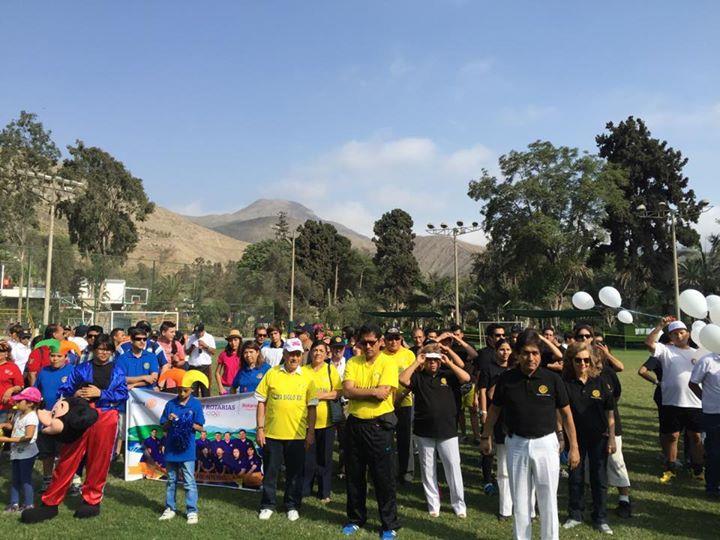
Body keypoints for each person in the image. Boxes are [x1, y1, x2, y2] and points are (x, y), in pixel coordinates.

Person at [481, 329, 580, 540]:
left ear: (541, 354)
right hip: (516, 444)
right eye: (526, 353)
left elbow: (567, 414)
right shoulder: (506, 379)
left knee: (548, 500)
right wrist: (485, 436)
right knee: (520, 501)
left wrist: (575, 448)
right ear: (517, 354)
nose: (531, 358)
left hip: (546, 444)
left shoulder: (552, 379)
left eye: (535, 353)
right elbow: (495, 410)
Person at [25, 334, 128, 522]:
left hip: (106, 416)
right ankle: (50, 502)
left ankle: (92, 500)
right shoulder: (81, 368)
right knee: (67, 458)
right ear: (94, 349)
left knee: (99, 460)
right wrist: (75, 393)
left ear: (112, 352)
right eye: (100, 348)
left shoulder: (118, 371)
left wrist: (101, 393)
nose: (103, 352)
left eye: (107, 349)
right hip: (79, 415)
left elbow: (123, 394)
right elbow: (63, 390)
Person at [341, 324, 400, 538]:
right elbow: (347, 391)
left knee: (383, 478)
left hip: (378, 426)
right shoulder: (352, 362)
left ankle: (389, 525)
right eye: (364, 342)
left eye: (372, 342)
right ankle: (356, 518)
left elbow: (383, 394)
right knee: (354, 475)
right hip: (355, 424)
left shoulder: (389, 363)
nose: (368, 346)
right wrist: (371, 391)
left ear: (380, 341)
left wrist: (361, 392)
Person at [399, 343, 469, 518]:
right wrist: (417, 361)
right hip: (424, 431)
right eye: (429, 360)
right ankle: (433, 504)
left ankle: (458, 504)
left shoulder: (448, 375)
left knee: (453, 467)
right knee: (428, 468)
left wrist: (448, 362)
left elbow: (466, 378)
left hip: (448, 430)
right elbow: (402, 379)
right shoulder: (418, 377)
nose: (432, 363)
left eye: (435, 360)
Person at [255, 338, 317, 522]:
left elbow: (312, 407)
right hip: (272, 434)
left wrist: (311, 432)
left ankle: (292, 505)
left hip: (297, 435)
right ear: (284, 354)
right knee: (271, 472)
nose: (294, 357)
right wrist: (260, 428)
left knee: (295, 473)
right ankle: (268, 504)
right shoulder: (272, 373)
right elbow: (261, 402)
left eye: (298, 354)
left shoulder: (307, 377)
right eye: (291, 353)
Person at [561, 341, 616, 535]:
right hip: (574, 438)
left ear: (591, 361)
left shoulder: (600, 381)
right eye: (578, 360)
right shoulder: (564, 383)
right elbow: (560, 414)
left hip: (599, 438)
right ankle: (575, 514)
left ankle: (600, 517)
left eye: (586, 360)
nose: (583, 364)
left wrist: (611, 439)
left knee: (599, 477)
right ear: (571, 361)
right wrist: (563, 439)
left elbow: (610, 412)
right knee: (575, 477)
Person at [645, 317, 703, 483]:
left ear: (688, 334)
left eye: (681, 332)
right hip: (672, 402)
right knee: (672, 436)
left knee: (696, 436)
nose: (678, 336)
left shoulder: (697, 353)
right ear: (670, 336)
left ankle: (698, 470)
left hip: (695, 402)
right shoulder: (665, 350)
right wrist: (660, 326)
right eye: (674, 334)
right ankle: (670, 469)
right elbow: (649, 343)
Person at [157, 373, 206, 525]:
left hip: (187, 449)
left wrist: (187, 422)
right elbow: (163, 425)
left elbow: (200, 427)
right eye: (179, 390)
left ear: (191, 390)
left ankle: (192, 511)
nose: (181, 393)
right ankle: (170, 508)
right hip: (172, 447)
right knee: (171, 479)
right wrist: (170, 421)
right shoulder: (170, 404)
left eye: (185, 390)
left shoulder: (196, 404)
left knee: (189, 481)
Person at [303, 340, 342, 503]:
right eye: (315, 350)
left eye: (321, 350)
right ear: (310, 352)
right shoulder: (303, 371)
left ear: (326, 354)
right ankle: (305, 489)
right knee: (308, 458)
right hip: (305, 422)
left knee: (325, 458)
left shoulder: (329, 369)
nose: (318, 353)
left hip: (326, 422)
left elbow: (338, 392)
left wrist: (320, 396)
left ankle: (324, 492)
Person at [34, 343, 73, 491]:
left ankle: (67, 480)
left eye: (59, 356)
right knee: (47, 451)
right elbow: (37, 391)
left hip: (65, 418)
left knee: (64, 452)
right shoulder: (43, 371)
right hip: (46, 417)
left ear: (66, 357)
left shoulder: (72, 371)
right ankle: (47, 479)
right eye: (52, 356)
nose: (55, 359)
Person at [478, 338, 513, 499]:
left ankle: (507, 481)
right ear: (496, 351)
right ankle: (487, 480)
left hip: (509, 414)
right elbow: (485, 392)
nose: (505, 353)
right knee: (489, 448)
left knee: (506, 448)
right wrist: (484, 411)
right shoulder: (488, 368)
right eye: (502, 349)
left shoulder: (514, 369)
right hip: (492, 412)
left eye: (508, 350)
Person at [381, 327, 416, 484]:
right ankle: (389, 471)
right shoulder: (381, 355)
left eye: (396, 338)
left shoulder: (408, 354)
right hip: (385, 404)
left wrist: (401, 396)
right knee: (387, 439)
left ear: (401, 338)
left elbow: (413, 379)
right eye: (390, 338)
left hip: (405, 402)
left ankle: (406, 473)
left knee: (405, 439)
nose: (393, 341)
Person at [0, 387, 41, 512]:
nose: (16, 403)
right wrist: (3, 425)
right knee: (15, 478)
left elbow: (28, 437)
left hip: (27, 454)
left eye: (19, 401)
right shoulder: (19, 414)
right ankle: (14, 504)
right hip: (17, 453)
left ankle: (29, 505)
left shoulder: (32, 417)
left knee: (25, 479)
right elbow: (12, 426)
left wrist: (6, 440)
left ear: (30, 403)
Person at [689, 350, 720, 497]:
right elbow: (693, 383)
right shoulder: (707, 360)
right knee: (714, 451)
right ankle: (712, 487)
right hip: (713, 414)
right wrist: (706, 399)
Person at [185, 323, 216, 397]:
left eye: (199, 332)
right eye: (196, 332)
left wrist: (205, 346)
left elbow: (214, 352)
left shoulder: (209, 337)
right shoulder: (192, 337)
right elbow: (187, 352)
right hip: (193, 367)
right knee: (192, 392)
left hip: (204, 368)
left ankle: (206, 407)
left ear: (203, 331)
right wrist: (192, 347)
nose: (197, 334)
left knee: (205, 391)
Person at [0, 340, 24, 423]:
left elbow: (20, 386)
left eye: (1, 351)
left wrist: (10, 390)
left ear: (7, 353)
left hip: (4, 407)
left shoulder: (13, 367)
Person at [216, 329, 242, 394]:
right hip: (226, 387)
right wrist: (220, 387)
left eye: (235, 340)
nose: (233, 343)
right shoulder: (223, 354)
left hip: (239, 387)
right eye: (230, 340)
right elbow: (217, 373)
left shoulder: (244, 354)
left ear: (240, 340)